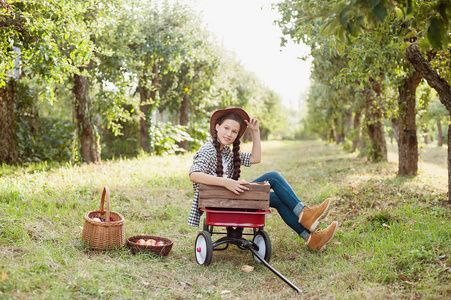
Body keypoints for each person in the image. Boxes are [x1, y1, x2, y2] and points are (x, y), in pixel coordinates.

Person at [188, 107, 338, 251]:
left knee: (276, 199)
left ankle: (311, 238)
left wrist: (255, 131)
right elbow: (194, 175)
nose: (229, 134)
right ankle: (305, 214)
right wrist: (227, 182)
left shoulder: (227, 151)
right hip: (217, 201)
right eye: (226, 128)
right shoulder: (208, 149)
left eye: (234, 131)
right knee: (272, 176)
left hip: (227, 199)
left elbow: (255, 158)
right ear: (217, 127)